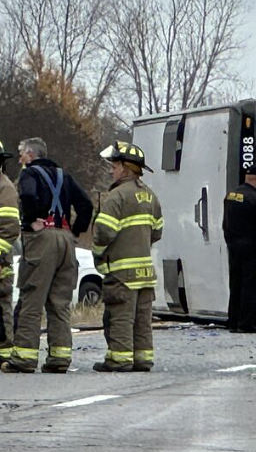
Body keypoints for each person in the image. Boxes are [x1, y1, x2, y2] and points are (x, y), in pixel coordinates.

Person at [1, 137, 92, 374]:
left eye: (21, 153)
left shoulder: (29, 174)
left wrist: (31, 221)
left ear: (30, 154)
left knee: (32, 298)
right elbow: (86, 205)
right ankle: (59, 358)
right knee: (60, 302)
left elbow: (29, 196)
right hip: (65, 239)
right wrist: (75, 230)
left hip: (42, 240)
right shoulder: (64, 175)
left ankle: (24, 358)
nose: (19, 158)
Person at [92, 142, 163, 372]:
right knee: (143, 319)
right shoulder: (150, 196)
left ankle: (119, 359)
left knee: (120, 316)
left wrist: (100, 254)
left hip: (122, 271)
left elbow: (103, 232)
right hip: (145, 271)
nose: (111, 170)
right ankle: (142, 359)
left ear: (125, 167)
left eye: (114, 166)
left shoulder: (117, 197)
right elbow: (157, 232)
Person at [223, 165, 256, 334]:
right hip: (251, 247)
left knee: (235, 283)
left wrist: (229, 242)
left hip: (233, 246)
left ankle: (233, 321)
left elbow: (225, 223)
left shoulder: (230, 196)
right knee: (250, 285)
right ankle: (246, 323)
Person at [0, 141, 20, 363]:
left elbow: (9, 228)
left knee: (1, 303)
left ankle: (4, 351)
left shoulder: (5, 189)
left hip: (0, 259)